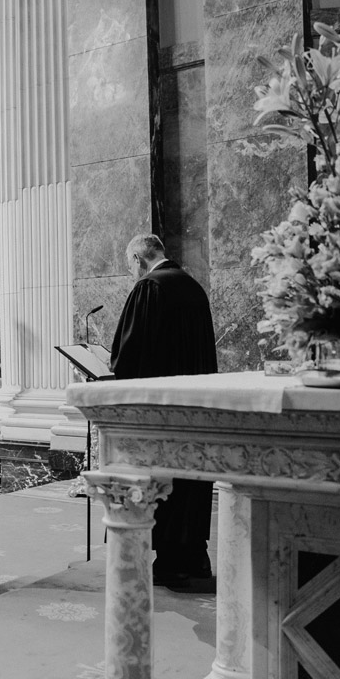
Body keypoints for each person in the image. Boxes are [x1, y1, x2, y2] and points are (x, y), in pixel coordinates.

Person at [110, 234, 218, 589]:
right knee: (191, 478)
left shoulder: (150, 288)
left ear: (140, 259)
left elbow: (129, 352)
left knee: (166, 478)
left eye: (131, 267)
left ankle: (171, 561)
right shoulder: (193, 288)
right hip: (196, 406)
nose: (132, 274)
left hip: (162, 409)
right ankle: (194, 557)